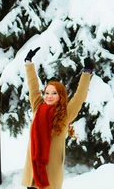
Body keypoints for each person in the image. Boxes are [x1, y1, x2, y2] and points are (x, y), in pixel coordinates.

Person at [21, 47, 94, 189]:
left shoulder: (66, 114)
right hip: (33, 172)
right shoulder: (38, 107)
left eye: (54, 93)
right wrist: (28, 63)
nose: (49, 96)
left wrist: (87, 73)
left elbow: (79, 96)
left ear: (60, 96)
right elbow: (33, 87)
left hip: (50, 175)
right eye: (47, 92)